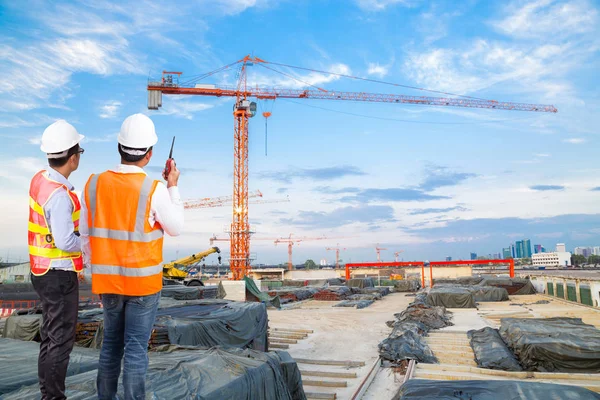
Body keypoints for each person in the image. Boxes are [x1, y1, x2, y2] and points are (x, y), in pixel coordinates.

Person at [80, 113, 183, 400]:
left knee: (111, 345)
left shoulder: (92, 184)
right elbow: (176, 227)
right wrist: (173, 185)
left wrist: (96, 268)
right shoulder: (155, 190)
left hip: (108, 282)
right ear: (149, 155)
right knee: (136, 351)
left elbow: (84, 235)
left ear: (119, 147)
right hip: (143, 285)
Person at [28, 120, 85, 400]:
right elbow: (65, 241)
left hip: (42, 271)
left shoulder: (40, 179)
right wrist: (86, 244)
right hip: (59, 276)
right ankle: (53, 397)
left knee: (50, 337)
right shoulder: (60, 196)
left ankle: (46, 394)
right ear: (72, 158)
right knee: (60, 343)